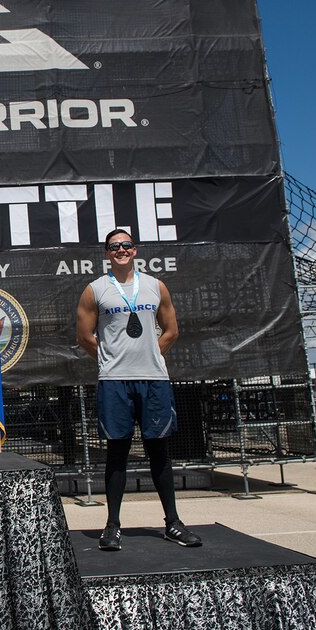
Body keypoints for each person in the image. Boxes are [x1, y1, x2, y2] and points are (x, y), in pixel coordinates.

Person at [76, 229, 201, 550]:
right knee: (117, 453)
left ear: (135, 250)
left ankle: (173, 523)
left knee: (159, 452)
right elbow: (85, 336)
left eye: (126, 245)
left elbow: (171, 330)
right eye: (114, 246)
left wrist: (150, 355)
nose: (121, 250)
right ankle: (112, 526)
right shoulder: (95, 290)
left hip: (153, 380)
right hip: (114, 381)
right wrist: (110, 360)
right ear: (106, 253)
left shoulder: (155, 286)